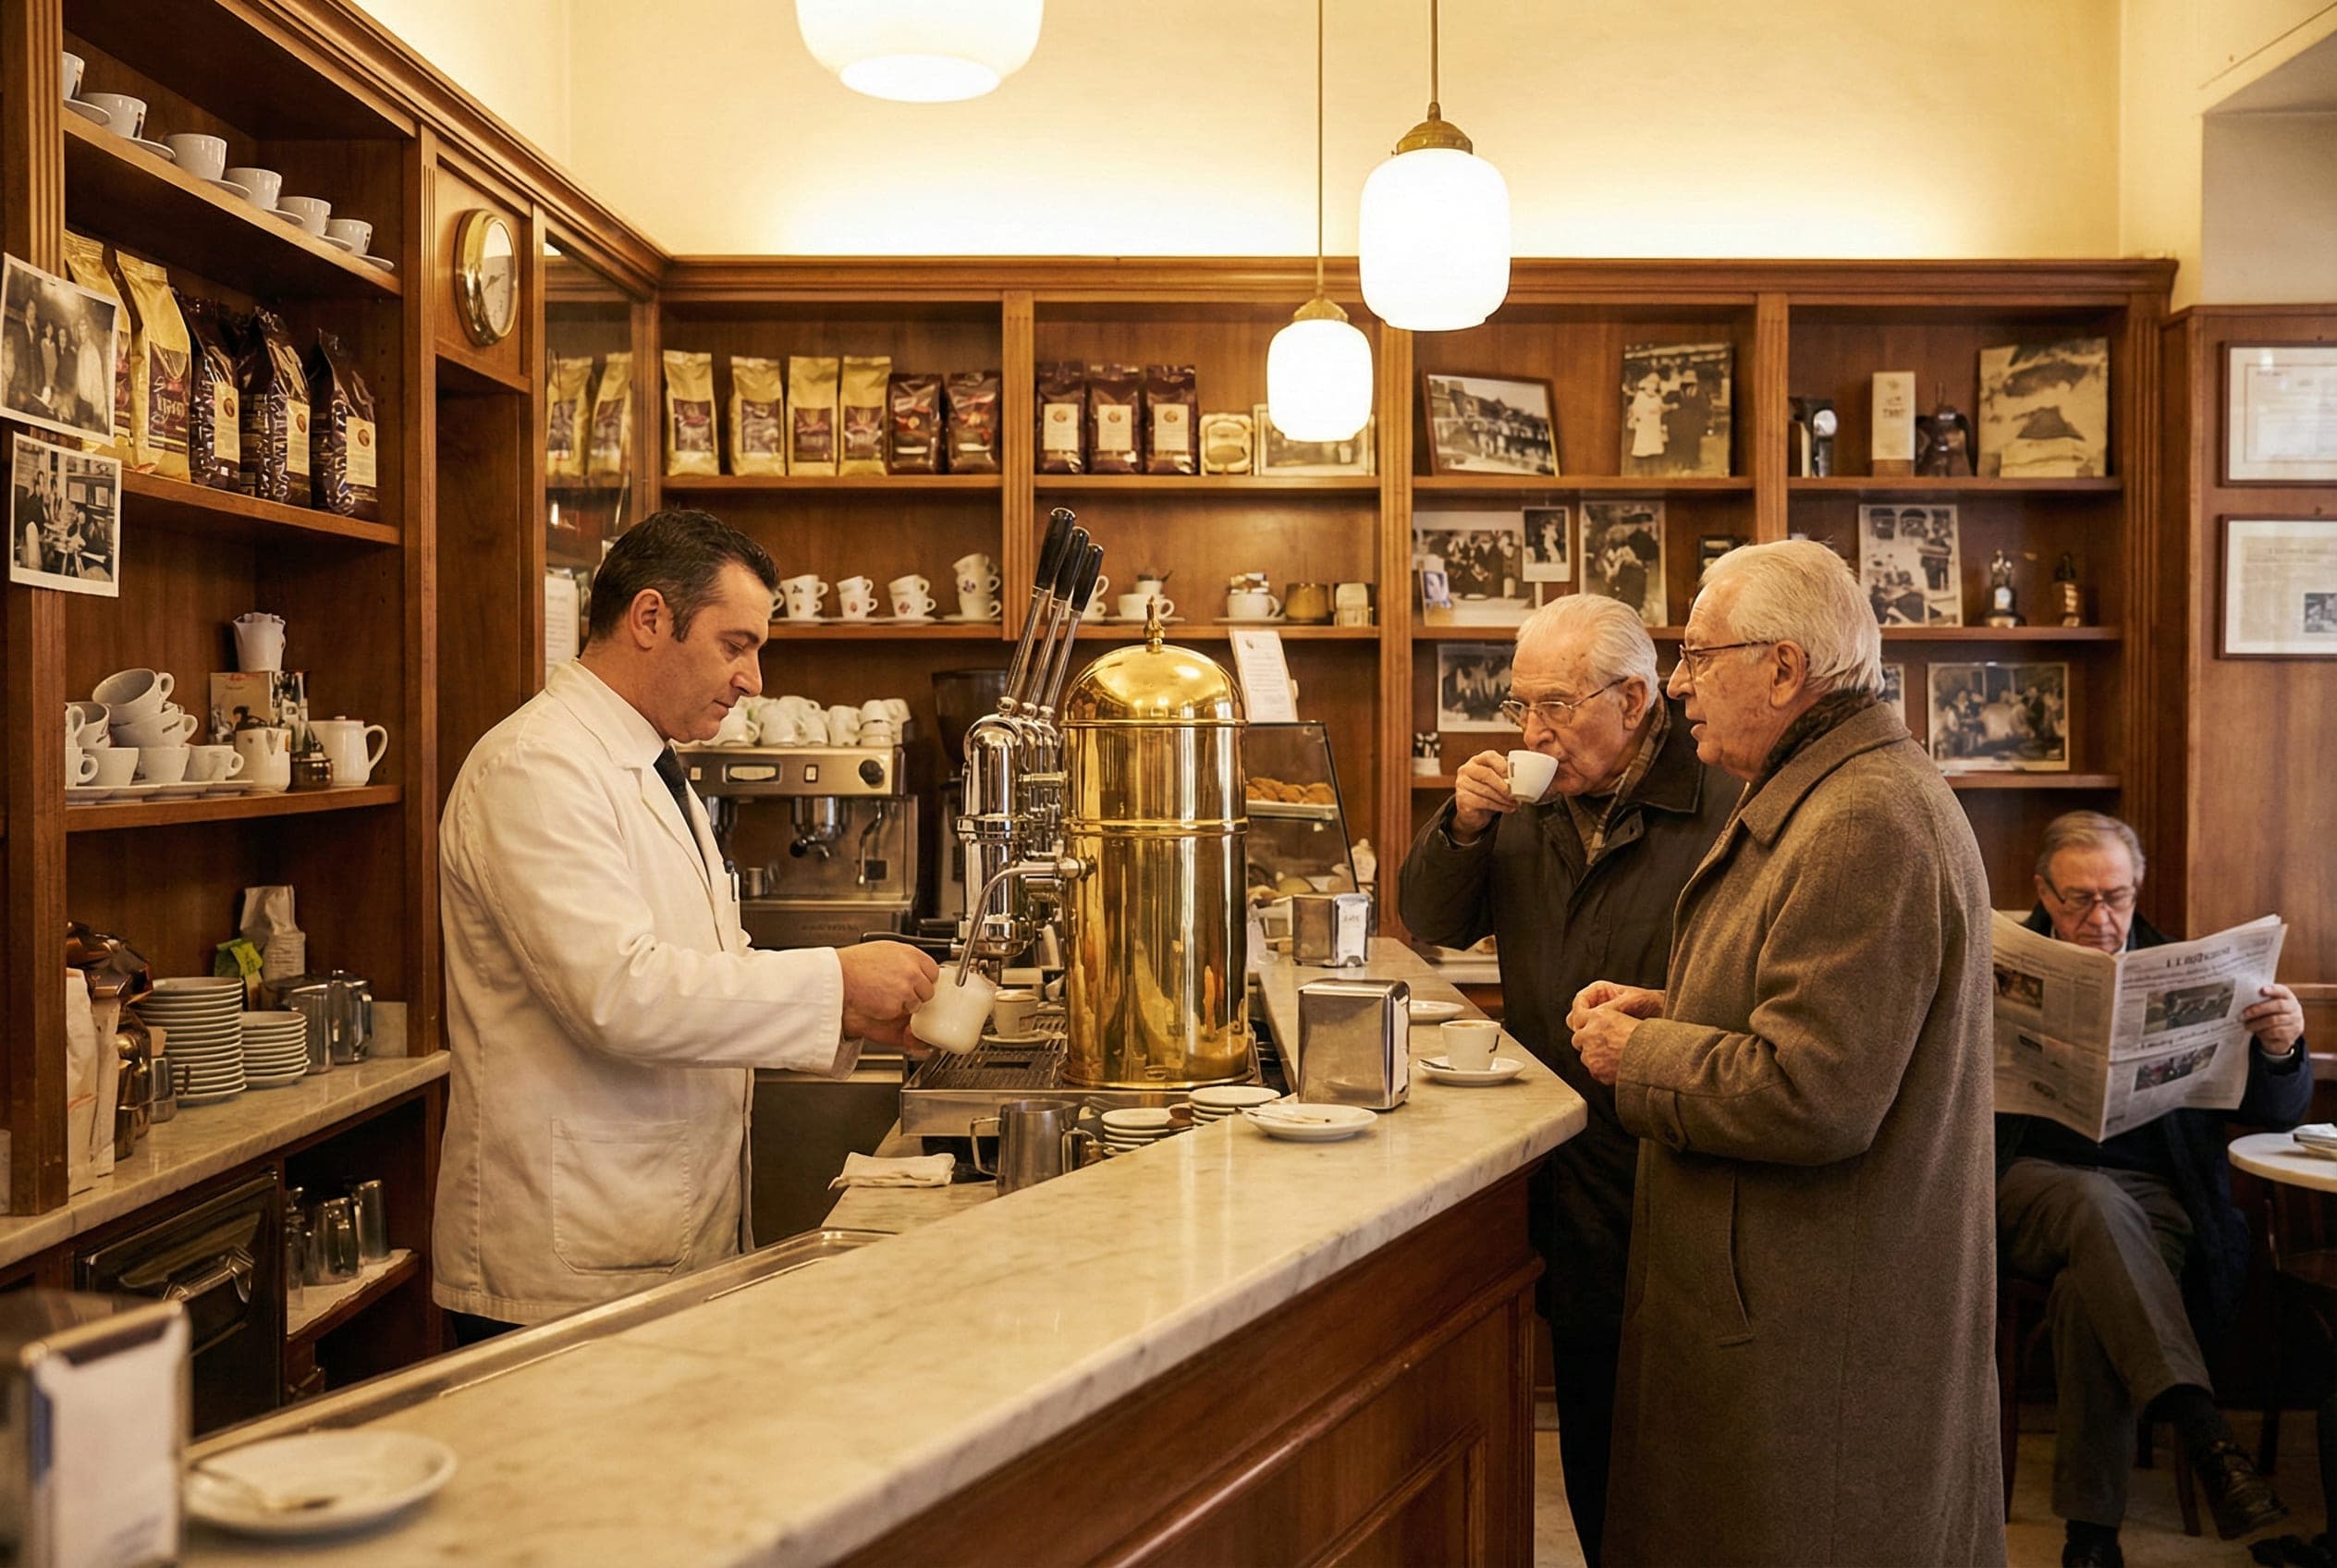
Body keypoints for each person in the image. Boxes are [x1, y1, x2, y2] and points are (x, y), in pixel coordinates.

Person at [1567, 540, 2005, 1564]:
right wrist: (1680, 1006)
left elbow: (1815, 1092)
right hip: (1784, 1307)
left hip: (1814, 1337)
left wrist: (1644, 1055)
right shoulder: (1831, 791)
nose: (1675, 685)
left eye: (1697, 655)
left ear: (1782, 668)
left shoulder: (1863, 818)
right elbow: (1825, 1009)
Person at [434, 508, 938, 1339]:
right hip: (567, 1270)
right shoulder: (535, 766)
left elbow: (710, 963)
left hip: (652, 1237)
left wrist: (856, 1012)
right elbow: (619, 993)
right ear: (650, 619)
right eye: (735, 645)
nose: (754, 681)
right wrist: (835, 981)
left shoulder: (649, 763)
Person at [1399, 594, 1733, 1567]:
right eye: (1519, 706)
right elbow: (1434, 921)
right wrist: (1458, 821)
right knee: (1588, 1412)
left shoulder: (1718, 793)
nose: (1530, 731)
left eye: (1553, 706)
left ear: (1633, 699)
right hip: (1566, 1147)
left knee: (1690, 1434)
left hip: (1684, 1144)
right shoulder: (1522, 798)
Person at [1997, 811, 2306, 1566]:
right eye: (2077, 900)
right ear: (2041, 889)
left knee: (2085, 1293)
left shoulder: (2191, 969)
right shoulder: (1999, 961)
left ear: (2137, 889)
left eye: (2117, 897)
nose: (2100, 919)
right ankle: (2205, 1430)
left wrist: (2283, 1046)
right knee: (2093, 1202)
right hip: (2026, 1186)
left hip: (2153, 1198)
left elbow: (2275, 1113)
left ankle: (2091, 1540)